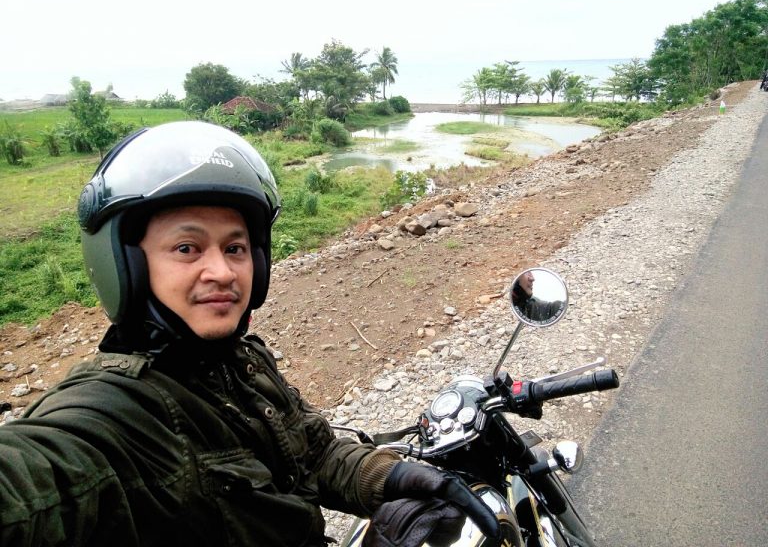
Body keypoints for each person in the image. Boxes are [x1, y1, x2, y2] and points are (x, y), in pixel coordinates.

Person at [0, 122, 500, 546]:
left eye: (235, 248)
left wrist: (389, 476)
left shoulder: (240, 363)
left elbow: (314, 453)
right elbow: (30, 483)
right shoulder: (114, 414)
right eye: (187, 248)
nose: (222, 272)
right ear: (126, 267)